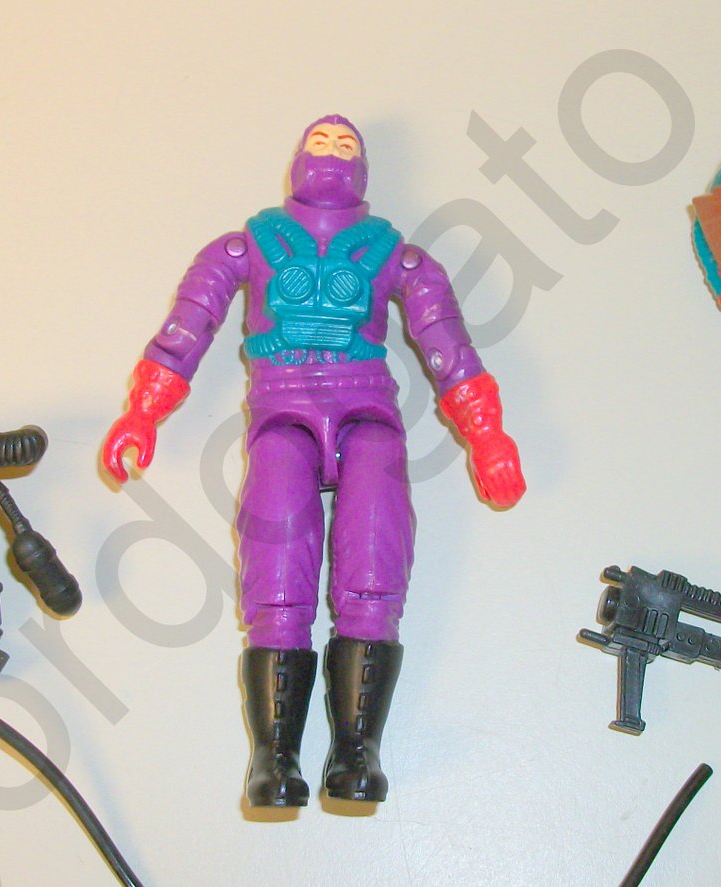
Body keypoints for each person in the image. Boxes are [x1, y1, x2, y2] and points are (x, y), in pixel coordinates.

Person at [103, 115, 525, 807]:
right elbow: (189, 326)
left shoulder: (395, 254)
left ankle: (358, 748)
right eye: (321, 144)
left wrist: (488, 434)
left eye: (345, 146)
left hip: (368, 412)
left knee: (374, 566)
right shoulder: (249, 244)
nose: (331, 154)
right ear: (299, 160)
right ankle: (273, 757)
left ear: (363, 168)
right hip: (281, 414)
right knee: (275, 578)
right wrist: (145, 410)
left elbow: (449, 346)